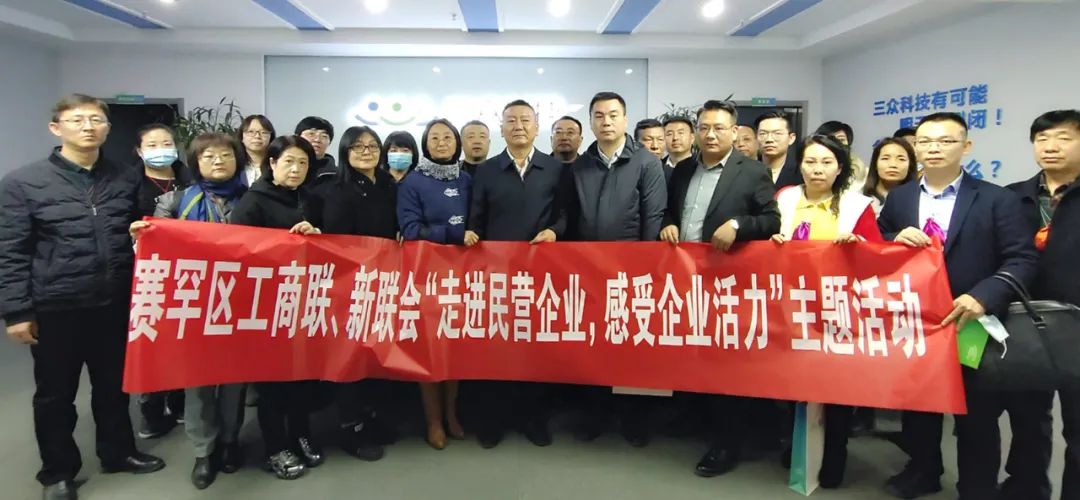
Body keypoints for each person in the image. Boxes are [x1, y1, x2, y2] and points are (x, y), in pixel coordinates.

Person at [0, 94, 165, 500]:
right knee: (56, 395)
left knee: (114, 387)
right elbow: (10, 251)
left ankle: (118, 452)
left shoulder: (125, 177)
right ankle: (57, 472)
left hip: (114, 302)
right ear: (56, 128)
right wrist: (16, 311)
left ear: (107, 128)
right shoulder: (23, 183)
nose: (88, 127)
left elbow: (144, 229)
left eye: (96, 119)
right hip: (57, 305)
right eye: (77, 120)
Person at [878, 112, 1038, 499]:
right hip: (916, 320)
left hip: (972, 321)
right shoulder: (900, 197)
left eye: (945, 141)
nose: (933, 148)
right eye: (925, 141)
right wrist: (894, 236)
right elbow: (879, 239)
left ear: (966, 147)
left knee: (976, 413)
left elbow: (1022, 259)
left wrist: (984, 296)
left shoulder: (997, 199)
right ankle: (923, 471)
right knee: (918, 405)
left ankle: (977, 486)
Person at [659, 100, 782, 476]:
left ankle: (727, 444)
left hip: (728, 282)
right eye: (704, 128)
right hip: (685, 279)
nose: (710, 135)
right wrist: (667, 224)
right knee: (692, 354)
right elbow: (670, 210)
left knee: (727, 361)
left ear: (734, 131)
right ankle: (696, 421)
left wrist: (738, 225)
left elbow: (771, 220)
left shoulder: (753, 171)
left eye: (719, 128)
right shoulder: (683, 170)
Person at [129, 132, 249, 489]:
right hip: (194, 304)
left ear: (238, 160)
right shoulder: (175, 201)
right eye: (208, 156)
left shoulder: (253, 200)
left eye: (225, 154)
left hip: (243, 303)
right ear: (195, 162)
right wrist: (141, 238)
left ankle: (230, 441)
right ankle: (203, 450)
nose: (218, 161)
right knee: (198, 382)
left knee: (236, 379)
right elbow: (155, 252)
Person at [770, 135, 883, 489]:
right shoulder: (784, 198)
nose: (817, 169)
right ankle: (799, 446)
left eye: (826, 162)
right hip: (791, 306)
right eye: (810, 161)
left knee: (837, 388)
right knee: (794, 382)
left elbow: (879, 256)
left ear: (839, 168)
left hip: (839, 308)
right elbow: (765, 239)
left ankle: (835, 454)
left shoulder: (857, 206)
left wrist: (858, 246)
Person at [463, 100, 571, 449]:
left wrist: (554, 231)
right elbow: (476, 217)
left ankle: (533, 419)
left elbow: (565, 214)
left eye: (526, 120)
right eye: (511, 120)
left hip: (541, 275)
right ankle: (492, 420)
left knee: (535, 349)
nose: (519, 126)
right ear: (502, 128)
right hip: (495, 275)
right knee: (494, 348)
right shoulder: (487, 170)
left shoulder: (555, 169)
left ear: (537, 127)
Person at [570, 91, 666, 447]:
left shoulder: (645, 162)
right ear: (591, 122)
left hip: (632, 274)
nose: (606, 122)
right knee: (592, 345)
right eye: (599, 116)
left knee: (632, 348)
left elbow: (653, 216)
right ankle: (594, 415)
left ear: (625, 120)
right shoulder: (580, 164)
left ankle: (633, 420)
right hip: (589, 272)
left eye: (613, 115)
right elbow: (571, 215)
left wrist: (645, 269)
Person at [230, 135, 326, 481]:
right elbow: (236, 249)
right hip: (266, 304)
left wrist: (317, 233)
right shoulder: (253, 201)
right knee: (271, 382)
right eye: (288, 161)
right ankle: (275, 447)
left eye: (303, 162)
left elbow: (332, 244)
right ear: (271, 163)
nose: (296, 169)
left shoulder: (312, 198)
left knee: (302, 376)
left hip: (305, 301)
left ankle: (301, 434)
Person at [1008, 109, 1080, 500]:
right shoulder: (1011, 196)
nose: (1050, 146)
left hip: (1077, 323)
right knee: (1027, 418)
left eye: (1063, 138)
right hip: (1023, 321)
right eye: (1042, 139)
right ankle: (1026, 489)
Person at [318, 125, 399, 461]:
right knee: (350, 357)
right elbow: (337, 241)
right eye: (358, 147)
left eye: (372, 146)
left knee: (377, 354)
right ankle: (350, 428)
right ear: (345, 152)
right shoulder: (337, 189)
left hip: (385, 282)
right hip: (351, 286)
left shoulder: (388, 185)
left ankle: (372, 417)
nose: (366, 152)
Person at [397, 118, 470, 450]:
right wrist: (453, 234)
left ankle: (452, 414)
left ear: (457, 143)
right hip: (426, 276)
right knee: (429, 352)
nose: (442, 143)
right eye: (435, 138)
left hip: (464, 276)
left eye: (447, 137)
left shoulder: (467, 179)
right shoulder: (412, 182)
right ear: (425, 144)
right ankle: (433, 421)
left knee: (455, 351)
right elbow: (411, 229)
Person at [132, 123, 190, 442]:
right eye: (152, 145)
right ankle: (152, 413)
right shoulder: (129, 184)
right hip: (149, 276)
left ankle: (179, 404)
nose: (161, 149)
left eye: (166, 143)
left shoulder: (190, 180)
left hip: (186, 274)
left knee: (181, 341)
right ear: (139, 151)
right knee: (152, 341)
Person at [861, 137, 918, 214]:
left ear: (910, 166)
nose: (893, 165)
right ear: (875, 164)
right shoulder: (859, 199)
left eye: (901, 159)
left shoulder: (920, 199)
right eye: (885, 158)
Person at [755, 110, 802, 188]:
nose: (769, 139)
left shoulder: (801, 172)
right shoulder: (747, 171)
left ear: (791, 138)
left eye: (777, 133)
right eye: (763, 134)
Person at [815, 120, 867, 187]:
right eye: (831, 139)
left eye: (841, 140)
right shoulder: (811, 164)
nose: (836, 143)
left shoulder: (859, 168)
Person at [295, 116, 336, 187]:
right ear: (296, 138)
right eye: (311, 134)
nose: (317, 140)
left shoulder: (338, 176)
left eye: (324, 136)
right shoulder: (283, 170)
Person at [239, 114, 276, 186]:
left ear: (271, 137)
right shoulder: (234, 164)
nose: (257, 136)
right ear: (241, 137)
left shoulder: (276, 165)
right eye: (251, 132)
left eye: (263, 132)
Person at [663, 116, 696, 182]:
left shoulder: (700, 167)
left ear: (692, 138)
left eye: (681, 133)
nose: (675, 138)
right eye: (669, 134)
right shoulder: (657, 168)